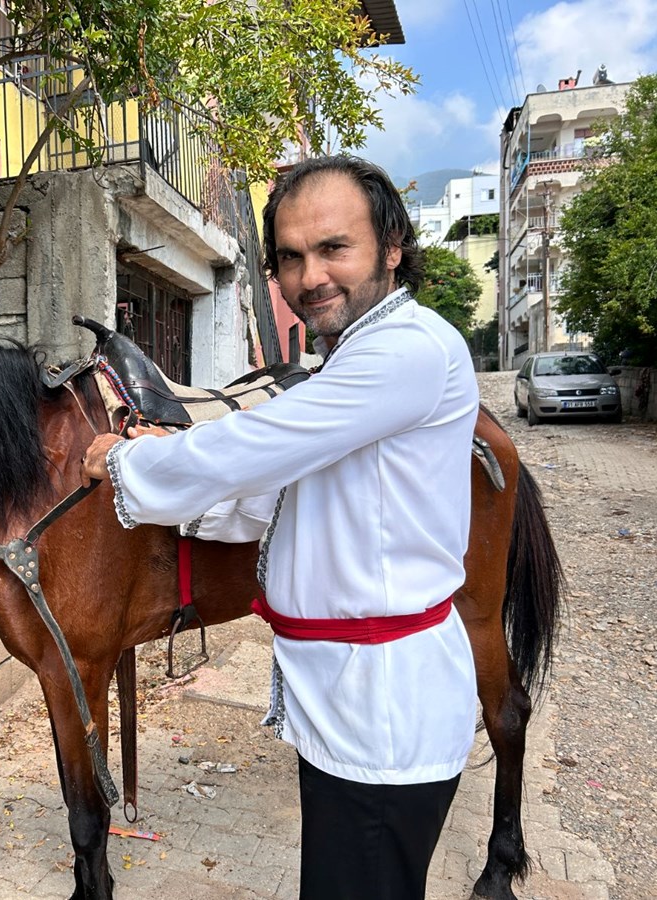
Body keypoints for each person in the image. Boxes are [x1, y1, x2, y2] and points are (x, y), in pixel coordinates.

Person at [81, 155, 479, 899]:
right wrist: (185, 483)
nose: (310, 277)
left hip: (383, 715)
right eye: (291, 258)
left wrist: (128, 462)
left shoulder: (406, 350)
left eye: (335, 248)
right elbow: (285, 492)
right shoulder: (349, 360)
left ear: (392, 246)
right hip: (346, 704)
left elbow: (257, 445)